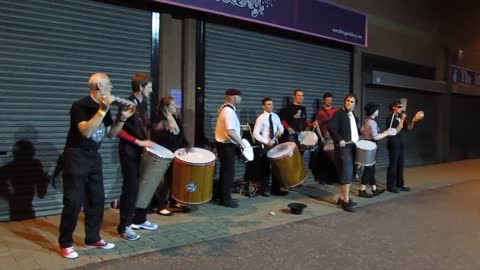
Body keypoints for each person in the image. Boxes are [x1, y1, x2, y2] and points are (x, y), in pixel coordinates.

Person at [58, 72, 135, 259]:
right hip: (75, 156)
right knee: (74, 202)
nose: (112, 88)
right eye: (109, 84)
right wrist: (102, 109)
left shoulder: (105, 107)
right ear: (99, 86)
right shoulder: (80, 106)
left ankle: (92, 238)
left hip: (93, 157)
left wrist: (122, 118)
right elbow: (85, 131)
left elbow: (110, 134)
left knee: (96, 200)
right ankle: (65, 243)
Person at [116, 73, 158, 241]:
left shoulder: (142, 103)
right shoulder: (128, 104)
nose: (151, 90)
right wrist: (138, 142)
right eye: (149, 87)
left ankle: (139, 219)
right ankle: (124, 227)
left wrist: (154, 125)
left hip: (138, 150)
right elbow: (119, 130)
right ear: (141, 87)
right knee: (130, 189)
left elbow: (139, 124)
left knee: (141, 186)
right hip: (128, 151)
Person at [150, 96, 191, 214]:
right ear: (166, 107)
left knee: (173, 178)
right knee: (165, 180)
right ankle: (160, 206)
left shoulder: (175, 118)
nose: (175, 107)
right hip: (164, 153)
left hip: (175, 152)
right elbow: (157, 137)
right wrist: (168, 129)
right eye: (173, 105)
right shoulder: (159, 119)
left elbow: (180, 134)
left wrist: (186, 145)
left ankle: (173, 200)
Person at [214, 88, 246, 208]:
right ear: (233, 97)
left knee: (225, 172)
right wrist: (241, 143)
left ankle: (221, 196)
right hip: (227, 146)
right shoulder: (228, 111)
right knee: (228, 173)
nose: (241, 99)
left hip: (223, 145)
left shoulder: (224, 109)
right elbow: (230, 131)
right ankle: (226, 199)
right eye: (239, 96)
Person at [328, 94, 359, 212]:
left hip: (353, 146)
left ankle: (342, 197)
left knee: (350, 173)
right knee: (346, 173)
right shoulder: (338, 113)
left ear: (354, 104)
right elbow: (331, 127)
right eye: (347, 101)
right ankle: (346, 201)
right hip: (344, 147)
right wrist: (339, 139)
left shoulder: (354, 116)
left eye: (351, 102)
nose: (349, 103)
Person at [253, 97, 284, 197]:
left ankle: (276, 189)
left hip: (275, 144)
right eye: (268, 104)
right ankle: (264, 190)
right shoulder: (261, 118)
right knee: (265, 168)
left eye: (272, 104)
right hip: (265, 145)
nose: (271, 106)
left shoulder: (275, 116)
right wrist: (266, 141)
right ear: (264, 106)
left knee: (277, 167)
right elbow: (255, 134)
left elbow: (281, 128)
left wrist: (280, 132)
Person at [385, 100, 418, 193]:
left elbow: (408, 128)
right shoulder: (390, 117)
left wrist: (413, 120)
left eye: (401, 107)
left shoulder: (400, 117)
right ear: (393, 107)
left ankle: (400, 184)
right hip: (393, 142)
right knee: (393, 164)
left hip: (400, 142)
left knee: (401, 164)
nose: (401, 109)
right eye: (399, 107)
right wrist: (402, 119)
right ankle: (390, 185)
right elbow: (396, 130)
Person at [358, 102, 389, 198]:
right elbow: (375, 137)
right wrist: (386, 133)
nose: (378, 111)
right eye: (377, 109)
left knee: (371, 169)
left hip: (367, 144)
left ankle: (374, 189)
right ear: (373, 111)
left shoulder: (366, 121)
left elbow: (362, 132)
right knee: (368, 168)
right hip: (372, 145)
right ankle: (362, 190)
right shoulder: (372, 122)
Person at [313, 92, 339, 184]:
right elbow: (317, 126)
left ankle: (333, 178)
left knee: (334, 158)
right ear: (324, 100)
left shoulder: (336, 110)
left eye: (331, 100)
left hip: (335, 137)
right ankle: (323, 178)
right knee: (324, 159)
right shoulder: (320, 112)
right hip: (326, 138)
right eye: (328, 100)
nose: (329, 102)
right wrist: (321, 138)